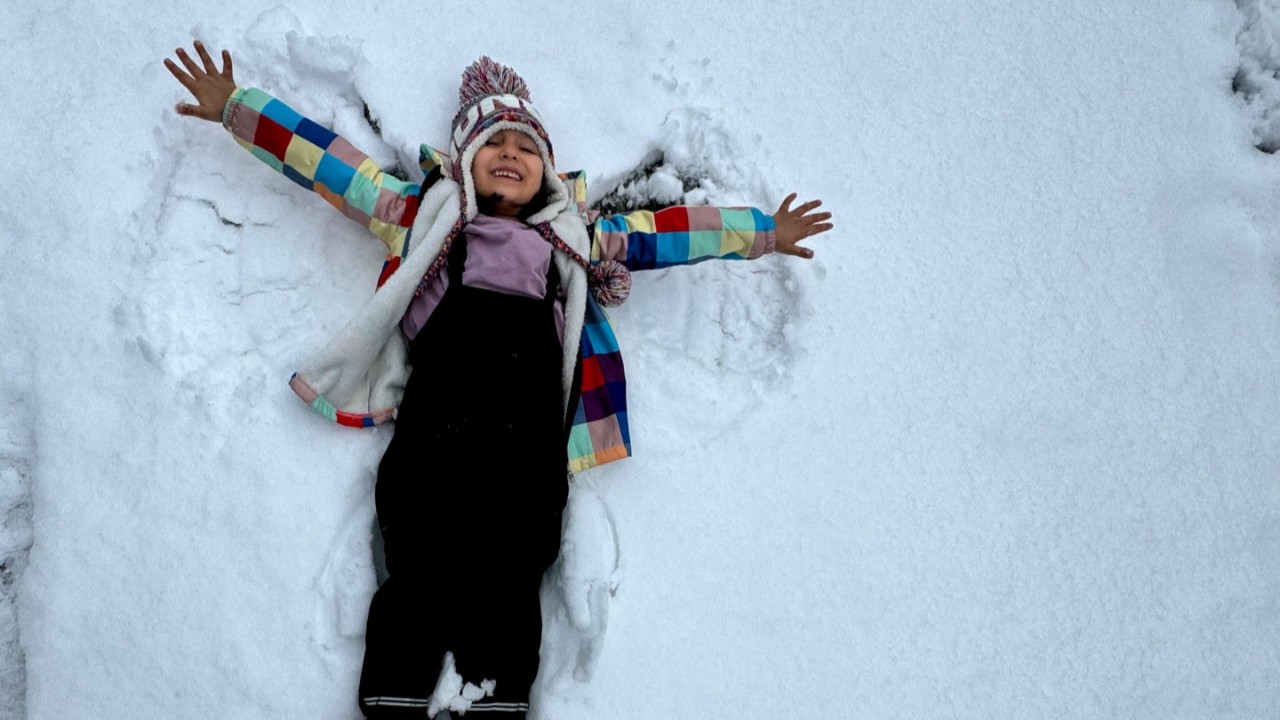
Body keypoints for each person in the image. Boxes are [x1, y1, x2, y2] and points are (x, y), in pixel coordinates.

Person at [164, 40, 832, 719]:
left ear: (544, 169)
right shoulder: (426, 218)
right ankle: (394, 694)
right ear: (463, 161)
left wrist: (762, 232)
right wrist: (239, 111)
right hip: (435, 434)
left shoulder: (572, 240)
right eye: (493, 142)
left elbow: (664, 233)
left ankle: (495, 698)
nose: (510, 152)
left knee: (513, 575)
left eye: (525, 144)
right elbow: (339, 170)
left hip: (527, 448)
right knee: (417, 563)